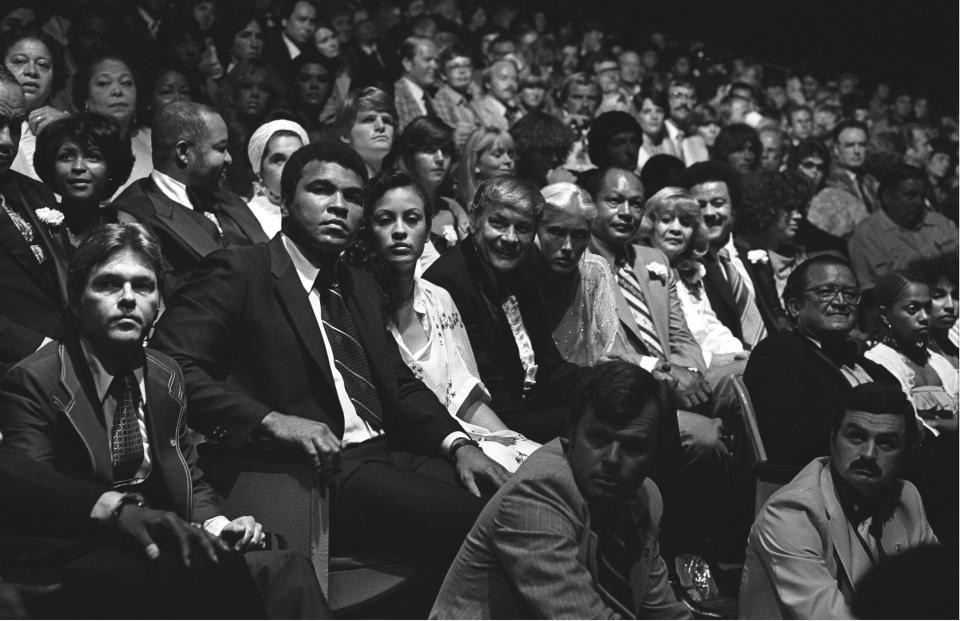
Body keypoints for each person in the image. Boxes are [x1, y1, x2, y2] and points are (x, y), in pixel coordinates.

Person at [150, 141, 508, 578]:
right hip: (310, 471)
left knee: (517, 500)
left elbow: (400, 384)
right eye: (322, 190)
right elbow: (166, 368)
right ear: (285, 200)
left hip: (386, 454)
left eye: (354, 197)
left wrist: (459, 445)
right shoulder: (240, 271)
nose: (339, 206)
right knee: (489, 522)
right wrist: (269, 420)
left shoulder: (359, 285)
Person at [0, 222, 331, 619]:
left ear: (159, 304)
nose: (127, 299)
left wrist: (220, 525)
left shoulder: (165, 373)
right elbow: (38, 505)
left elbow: (191, 479)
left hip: (169, 545)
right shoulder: (35, 380)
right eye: (108, 285)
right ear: (76, 300)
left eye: (143, 286)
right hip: (94, 560)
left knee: (287, 570)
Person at [430, 361, 690, 619]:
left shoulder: (645, 496)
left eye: (633, 447)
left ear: (655, 452)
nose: (612, 458)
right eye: (598, 438)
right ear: (573, 432)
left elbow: (661, 610)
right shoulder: (539, 492)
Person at [347, 169, 539, 471]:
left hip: (463, 436)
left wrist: (514, 443)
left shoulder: (439, 298)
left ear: (427, 229)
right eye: (385, 220)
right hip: (407, 449)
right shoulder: (355, 303)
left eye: (412, 219)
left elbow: (466, 396)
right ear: (368, 229)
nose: (400, 231)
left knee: (541, 464)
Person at [740, 382, 938, 619]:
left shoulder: (907, 497)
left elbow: (939, 590)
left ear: (905, 452)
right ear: (833, 439)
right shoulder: (791, 513)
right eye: (856, 437)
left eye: (886, 443)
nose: (868, 454)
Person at [424, 176, 587, 443]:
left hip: (533, 406)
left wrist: (607, 380)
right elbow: (486, 392)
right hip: (493, 423)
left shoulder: (522, 271)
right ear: (475, 218)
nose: (511, 238)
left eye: (523, 228)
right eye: (498, 223)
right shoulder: (448, 282)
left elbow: (550, 366)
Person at [743, 255, 899, 468]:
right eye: (825, 292)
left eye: (850, 294)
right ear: (795, 307)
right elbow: (791, 436)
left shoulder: (875, 371)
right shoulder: (777, 355)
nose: (841, 302)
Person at [111, 101, 268, 295]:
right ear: (184, 152)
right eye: (220, 149)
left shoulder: (229, 200)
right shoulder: (134, 213)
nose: (229, 159)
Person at [0, 68, 71, 367]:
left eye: (15, 126)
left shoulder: (35, 192)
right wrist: (45, 350)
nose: (6, 140)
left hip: (66, 358)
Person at [640, 187, 748, 368]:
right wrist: (714, 361)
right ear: (650, 225)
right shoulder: (641, 271)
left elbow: (712, 329)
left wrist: (738, 353)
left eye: (685, 223)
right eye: (666, 220)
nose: (676, 229)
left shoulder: (691, 273)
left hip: (711, 364)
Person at [680, 161, 768, 349]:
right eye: (700, 205)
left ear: (734, 208)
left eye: (718, 203)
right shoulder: (685, 264)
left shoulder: (754, 255)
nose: (710, 212)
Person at [848, 163, 958, 291]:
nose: (918, 202)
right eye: (910, 196)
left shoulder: (941, 223)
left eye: (922, 196)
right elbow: (879, 290)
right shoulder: (868, 236)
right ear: (887, 197)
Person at [866, 270, 958, 422]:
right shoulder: (878, 362)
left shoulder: (937, 362)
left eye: (928, 309)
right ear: (884, 315)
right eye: (913, 309)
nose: (924, 318)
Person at [33, 112, 135, 244]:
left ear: (112, 166)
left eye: (93, 156)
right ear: (50, 164)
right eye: (66, 156)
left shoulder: (123, 226)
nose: (78, 167)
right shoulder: (35, 222)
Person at [734, 171, 808, 335]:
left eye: (800, 208)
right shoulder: (745, 258)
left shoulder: (799, 258)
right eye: (788, 209)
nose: (798, 216)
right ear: (766, 208)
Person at [72, 53, 153, 195]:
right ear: (85, 96)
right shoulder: (71, 140)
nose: (117, 91)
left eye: (126, 83)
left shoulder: (153, 139)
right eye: (104, 83)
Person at [391, 116, 468, 253]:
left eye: (445, 151)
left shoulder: (454, 209)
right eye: (429, 150)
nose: (440, 159)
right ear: (410, 156)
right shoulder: (393, 207)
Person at [2, 26, 69, 180]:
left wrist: (69, 130)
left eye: (42, 64)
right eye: (19, 61)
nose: (32, 71)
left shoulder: (69, 125)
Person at [216, 60, 286, 197]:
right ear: (233, 91)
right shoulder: (218, 134)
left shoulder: (278, 138)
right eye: (246, 86)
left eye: (263, 88)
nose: (255, 93)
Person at [806, 120, 879, 241]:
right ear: (836, 149)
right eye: (849, 145)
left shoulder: (871, 180)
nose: (857, 151)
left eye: (861, 145)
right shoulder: (827, 181)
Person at [245, 119, 309, 239]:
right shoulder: (247, 219)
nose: (290, 166)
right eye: (278, 160)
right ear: (259, 170)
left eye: (297, 157)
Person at [334, 86, 395, 177]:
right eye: (369, 119)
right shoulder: (338, 182)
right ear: (345, 134)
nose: (381, 126)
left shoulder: (396, 185)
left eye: (386, 120)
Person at [431, 43, 480, 150]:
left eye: (466, 66)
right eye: (454, 67)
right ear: (443, 75)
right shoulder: (441, 101)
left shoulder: (471, 98)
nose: (462, 71)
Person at [457, 125, 514, 208]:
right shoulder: (459, 210)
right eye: (497, 155)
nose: (508, 160)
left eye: (511, 155)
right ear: (476, 163)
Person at [393, 36, 439, 131]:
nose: (435, 66)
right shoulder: (395, 97)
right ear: (407, 63)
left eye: (436, 61)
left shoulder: (436, 95)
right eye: (427, 60)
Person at [263, 0, 318, 74]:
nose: (308, 27)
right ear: (284, 21)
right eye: (302, 20)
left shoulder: (314, 54)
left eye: (312, 21)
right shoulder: (267, 50)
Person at [634, 87, 680, 172]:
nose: (654, 117)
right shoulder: (631, 149)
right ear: (637, 115)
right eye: (647, 111)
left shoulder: (676, 142)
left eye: (659, 111)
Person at [471, 59, 519, 131]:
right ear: (488, 83)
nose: (510, 83)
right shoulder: (477, 110)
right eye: (503, 78)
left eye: (514, 79)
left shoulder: (515, 110)